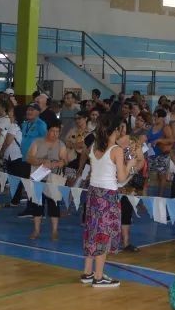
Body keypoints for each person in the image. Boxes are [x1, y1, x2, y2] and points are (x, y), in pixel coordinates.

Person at [80, 116, 130, 288]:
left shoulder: (94, 146)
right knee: (103, 233)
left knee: (92, 231)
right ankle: (99, 276)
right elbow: (122, 179)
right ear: (115, 130)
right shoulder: (116, 150)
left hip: (93, 193)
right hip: (107, 195)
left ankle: (88, 272)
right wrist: (130, 164)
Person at [26, 122, 68, 241]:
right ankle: (36, 230)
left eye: (57, 132)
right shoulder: (37, 142)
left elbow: (65, 160)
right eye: (53, 131)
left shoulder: (61, 144)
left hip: (54, 179)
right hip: (38, 178)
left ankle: (54, 231)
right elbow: (29, 158)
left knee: (54, 204)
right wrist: (42, 162)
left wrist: (58, 163)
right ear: (47, 131)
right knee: (37, 205)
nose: (55, 134)